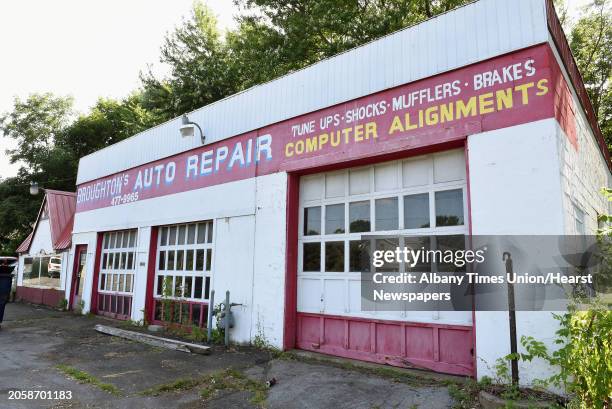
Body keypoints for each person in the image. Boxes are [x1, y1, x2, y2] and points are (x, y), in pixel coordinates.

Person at [0, 259, 15, 329]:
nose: (4, 264)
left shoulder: (7, 271)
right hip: (4, 291)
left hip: (4, 292)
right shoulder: (9, 270)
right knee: (1, 305)